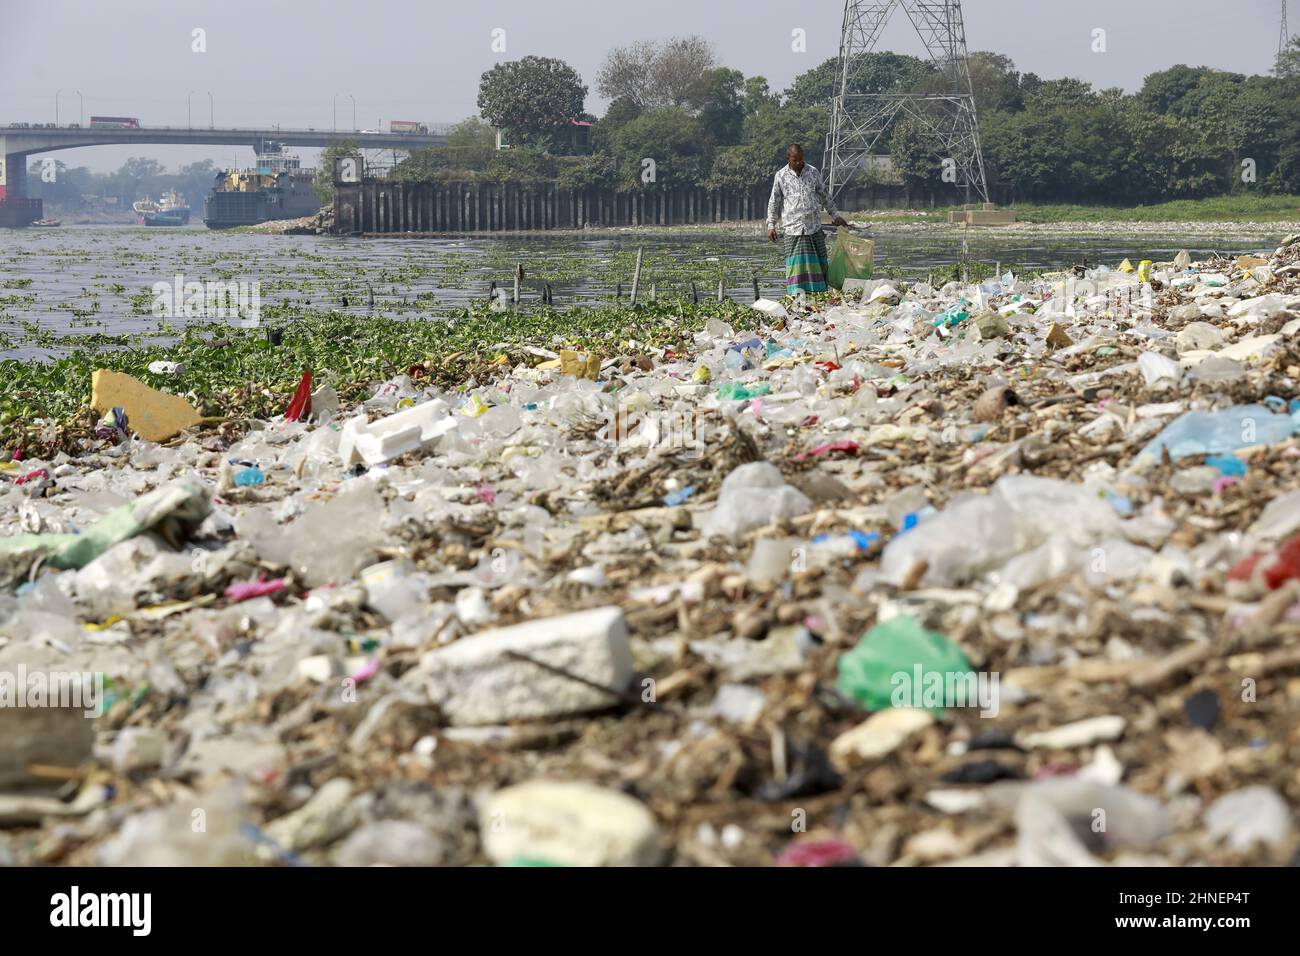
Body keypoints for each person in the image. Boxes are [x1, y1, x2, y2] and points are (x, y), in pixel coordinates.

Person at [766, 144, 848, 296]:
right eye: (795, 160)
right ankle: (796, 296)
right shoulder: (781, 176)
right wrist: (771, 225)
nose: (798, 163)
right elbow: (774, 202)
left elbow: (824, 196)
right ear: (788, 159)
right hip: (793, 229)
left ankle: (820, 296)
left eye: (801, 160)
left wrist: (835, 215)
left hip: (814, 228)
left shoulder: (812, 172)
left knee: (820, 264)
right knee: (796, 268)